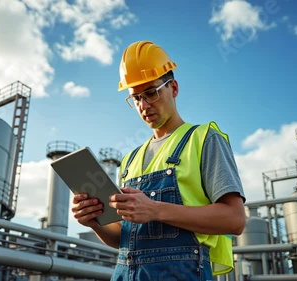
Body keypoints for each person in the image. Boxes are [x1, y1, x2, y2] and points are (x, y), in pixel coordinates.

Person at [71, 40, 246, 280]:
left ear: (173, 88)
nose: (144, 105)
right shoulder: (130, 160)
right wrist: (93, 222)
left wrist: (155, 209)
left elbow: (234, 220)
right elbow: (125, 239)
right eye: (136, 98)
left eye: (151, 93)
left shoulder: (204, 138)